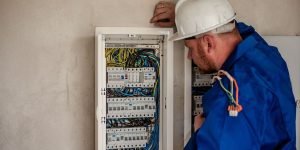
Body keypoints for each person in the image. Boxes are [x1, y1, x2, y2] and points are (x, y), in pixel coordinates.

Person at [150, 0, 296, 149]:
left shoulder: (235, 95)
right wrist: (187, 17)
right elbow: (233, 28)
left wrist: (201, 132)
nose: (190, 56)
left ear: (208, 43)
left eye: (190, 48)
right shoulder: (266, 55)